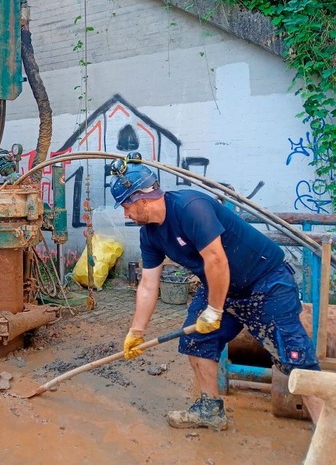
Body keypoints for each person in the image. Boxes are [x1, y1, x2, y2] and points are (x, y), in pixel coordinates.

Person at [110, 159, 321, 431]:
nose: (126, 215)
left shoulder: (190, 208)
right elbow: (149, 285)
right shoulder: (149, 235)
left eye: (126, 207)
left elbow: (217, 260)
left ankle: (328, 433)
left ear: (141, 199)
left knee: (296, 358)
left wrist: (214, 310)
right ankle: (210, 409)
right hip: (222, 287)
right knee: (196, 339)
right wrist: (136, 331)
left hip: (265, 281)